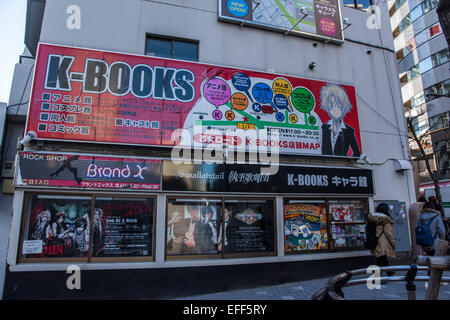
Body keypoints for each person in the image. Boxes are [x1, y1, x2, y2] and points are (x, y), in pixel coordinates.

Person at [320, 83, 361, 157]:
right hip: (324, 164)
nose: (335, 111)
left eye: (339, 107)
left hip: (342, 165)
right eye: (331, 107)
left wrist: (348, 162)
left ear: (344, 107)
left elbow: (357, 153)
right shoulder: (324, 127)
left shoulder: (349, 131)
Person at [368, 203, 396, 276]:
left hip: (374, 241)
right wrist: (393, 243)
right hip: (383, 242)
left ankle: (388, 272)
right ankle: (379, 275)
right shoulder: (386, 220)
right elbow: (388, 233)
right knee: (381, 258)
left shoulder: (372, 218)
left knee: (381, 258)